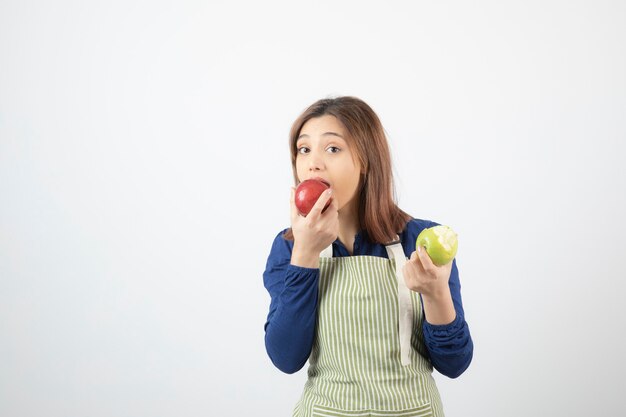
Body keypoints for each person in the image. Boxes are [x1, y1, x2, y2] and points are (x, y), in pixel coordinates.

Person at [262, 96, 473, 417]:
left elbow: (454, 364)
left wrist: (435, 292)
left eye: (332, 148)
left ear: (366, 161)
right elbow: (285, 358)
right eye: (304, 149)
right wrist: (305, 253)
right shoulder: (290, 247)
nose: (313, 162)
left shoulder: (420, 241)